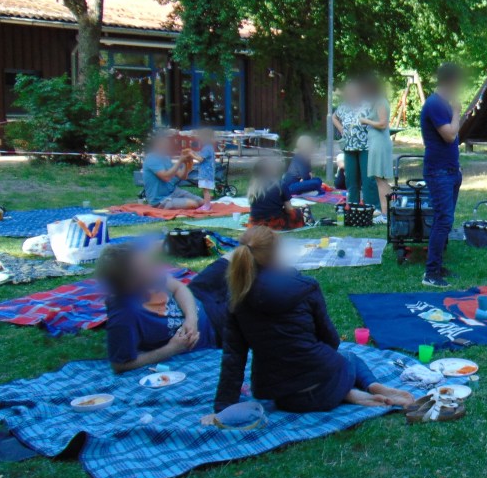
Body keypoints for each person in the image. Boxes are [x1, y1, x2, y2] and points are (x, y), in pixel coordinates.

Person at [212, 227, 415, 414]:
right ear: (276, 252)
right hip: (323, 380)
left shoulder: (236, 297)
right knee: (349, 357)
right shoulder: (304, 286)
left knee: (314, 373)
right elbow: (331, 340)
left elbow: (233, 357)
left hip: (285, 397)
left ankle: (348, 393)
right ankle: (368, 386)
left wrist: (223, 406)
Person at [97, 241, 229, 374]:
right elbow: (120, 365)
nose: (153, 266)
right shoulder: (124, 316)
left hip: (195, 297)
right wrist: (172, 349)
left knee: (237, 256)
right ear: (130, 282)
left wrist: (191, 318)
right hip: (213, 326)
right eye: (145, 267)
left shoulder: (148, 279)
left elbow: (178, 288)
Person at [420, 62, 464, 288]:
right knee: (443, 220)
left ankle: (437, 265)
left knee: (445, 220)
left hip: (450, 170)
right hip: (439, 172)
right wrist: (457, 113)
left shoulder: (443, 104)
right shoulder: (435, 104)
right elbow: (449, 135)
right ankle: (430, 273)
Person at [359, 73, 393, 224]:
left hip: (380, 143)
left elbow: (383, 124)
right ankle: (390, 211)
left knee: (381, 179)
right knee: (380, 179)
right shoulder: (376, 101)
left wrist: (365, 121)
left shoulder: (381, 101)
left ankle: (386, 214)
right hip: (375, 142)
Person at [333, 80, 370, 208]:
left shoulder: (367, 105)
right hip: (348, 147)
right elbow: (334, 117)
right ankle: (353, 205)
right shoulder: (343, 106)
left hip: (365, 146)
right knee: (351, 178)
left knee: (367, 178)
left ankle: (369, 206)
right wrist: (341, 129)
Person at [142, 133, 202, 211]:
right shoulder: (151, 158)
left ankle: (175, 204)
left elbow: (182, 176)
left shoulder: (166, 158)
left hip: (174, 192)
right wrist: (180, 160)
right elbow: (166, 177)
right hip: (160, 199)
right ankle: (162, 207)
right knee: (193, 204)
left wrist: (186, 163)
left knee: (202, 202)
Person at [247, 156, 310, 230]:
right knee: (300, 211)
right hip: (275, 223)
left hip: (255, 224)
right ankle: (305, 218)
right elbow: (289, 209)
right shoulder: (280, 184)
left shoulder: (253, 187)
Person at [192, 129, 218, 208]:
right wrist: (194, 153)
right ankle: (207, 204)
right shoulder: (208, 147)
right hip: (207, 172)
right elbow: (200, 156)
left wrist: (191, 155)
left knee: (206, 190)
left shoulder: (207, 148)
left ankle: (207, 206)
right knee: (206, 190)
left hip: (206, 173)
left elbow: (200, 159)